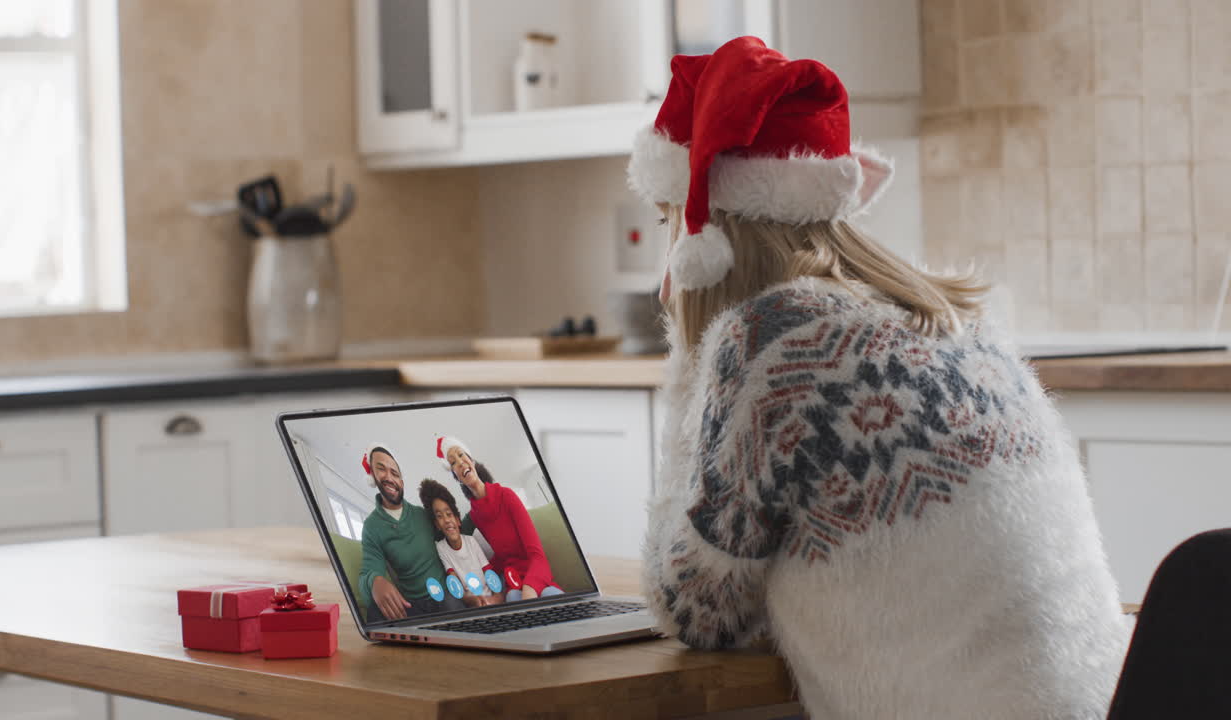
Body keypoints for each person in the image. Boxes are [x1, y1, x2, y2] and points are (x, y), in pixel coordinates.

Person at [631, 37, 1131, 719]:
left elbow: (696, 611)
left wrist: (687, 378)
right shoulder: (958, 320)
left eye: (668, 224)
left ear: (705, 242)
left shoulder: (768, 343)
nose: (665, 283)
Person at [435, 436, 562, 602]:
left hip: (535, 575)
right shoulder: (475, 516)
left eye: (461, 455)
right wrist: (480, 579)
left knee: (549, 596)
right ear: (456, 477)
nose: (460, 462)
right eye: (453, 463)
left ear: (472, 461)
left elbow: (537, 556)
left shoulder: (506, 496)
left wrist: (529, 589)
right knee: (513, 597)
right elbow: (502, 557)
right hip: (513, 580)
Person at [357, 444, 465, 621]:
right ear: (373, 476)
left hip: (445, 594)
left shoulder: (422, 514)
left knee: (453, 607)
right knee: (374, 613)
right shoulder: (371, 526)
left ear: (402, 482)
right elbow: (369, 570)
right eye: (381, 469)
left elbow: (455, 535)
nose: (389, 477)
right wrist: (374, 581)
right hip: (413, 604)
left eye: (395, 473)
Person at [419, 479, 503, 608]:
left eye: (449, 514)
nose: (446, 520)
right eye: (440, 516)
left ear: (458, 521)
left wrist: (495, 598)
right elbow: (455, 584)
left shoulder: (471, 541)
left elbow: (488, 572)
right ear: (437, 525)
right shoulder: (441, 548)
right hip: (471, 602)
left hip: (489, 595)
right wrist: (472, 600)